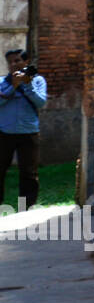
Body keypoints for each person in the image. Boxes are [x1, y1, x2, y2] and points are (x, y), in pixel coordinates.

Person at [0, 49, 47, 207]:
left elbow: (41, 102)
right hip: (4, 133)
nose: (14, 64)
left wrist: (27, 85)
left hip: (29, 133)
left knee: (29, 173)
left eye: (18, 60)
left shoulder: (38, 81)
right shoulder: (2, 83)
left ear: (26, 62)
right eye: (11, 62)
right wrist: (12, 87)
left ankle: (26, 207)